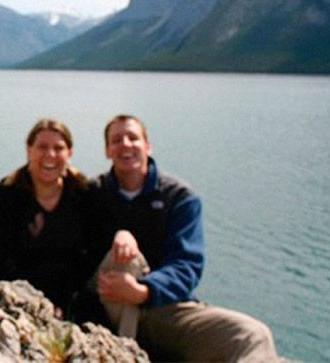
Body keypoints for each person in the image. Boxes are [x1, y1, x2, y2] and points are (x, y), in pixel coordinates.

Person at [82, 114, 279, 362]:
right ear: (107, 151)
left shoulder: (179, 197)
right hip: (106, 305)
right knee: (122, 260)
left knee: (253, 335)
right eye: (116, 140)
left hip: (162, 309)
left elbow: (187, 265)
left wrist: (144, 290)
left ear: (148, 145)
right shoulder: (91, 194)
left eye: (133, 137)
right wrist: (121, 238)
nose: (126, 145)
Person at [0, 119, 93, 318]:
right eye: (42, 147)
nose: (50, 155)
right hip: (16, 301)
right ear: (28, 150)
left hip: (73, 301)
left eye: (58, 148)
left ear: (70, 153)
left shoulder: (83, 195)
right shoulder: (4, 197)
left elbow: (92, 256)